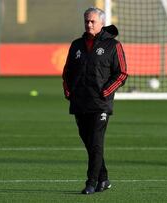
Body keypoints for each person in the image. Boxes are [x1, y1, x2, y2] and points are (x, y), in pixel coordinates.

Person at [62, 7, 128, 195]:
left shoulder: (113, 46)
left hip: (101, 103)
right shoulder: (76, 45)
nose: (89, 24)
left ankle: (91, 182)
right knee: (90, 143)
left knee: (97, 142)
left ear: (101, 23)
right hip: (80, 102)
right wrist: (69, 91)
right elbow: (67, 72)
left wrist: (105, 91)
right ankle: (104, 178)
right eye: (86, 21)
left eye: (92, 21)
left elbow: (122, 73)